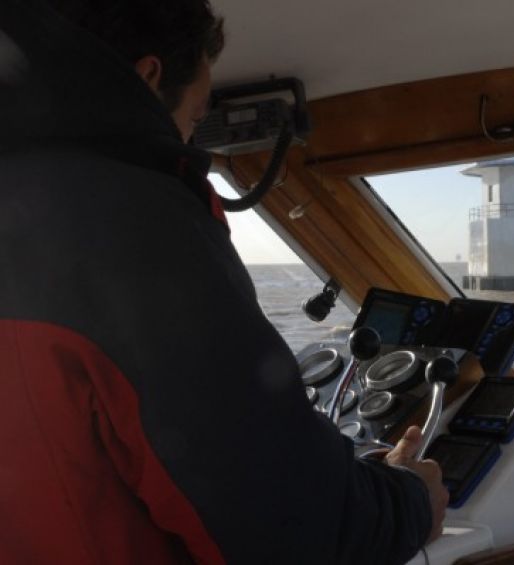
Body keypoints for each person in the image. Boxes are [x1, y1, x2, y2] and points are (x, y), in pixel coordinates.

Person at [0, 1, 447, 564]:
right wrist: (411, 499)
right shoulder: (133, 229)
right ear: (147, 77)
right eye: (194, 116)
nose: (192, 139)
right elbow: (291, 529)